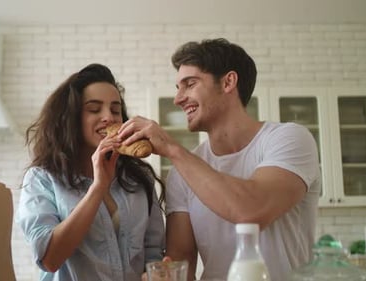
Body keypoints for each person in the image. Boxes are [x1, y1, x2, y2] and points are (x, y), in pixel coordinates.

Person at [119, 38, 321, 281]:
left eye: (189, 84)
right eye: (178, 88)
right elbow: (181, 261)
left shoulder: (289, 139)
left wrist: (171, 148)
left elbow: (251, 211)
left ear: (228, 82)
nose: (178, 98)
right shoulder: (182, 172)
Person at [16, 63, 165, 281]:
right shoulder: (42, 179)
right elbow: (49, 259)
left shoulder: (138, 178)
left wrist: (158, 271)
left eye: (115, 110)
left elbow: (152, 254)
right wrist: (98, 188)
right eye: (94, 109)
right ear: (72, 118)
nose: (109, 117)